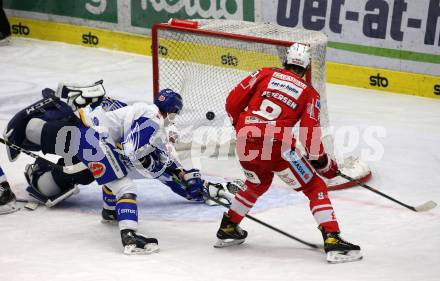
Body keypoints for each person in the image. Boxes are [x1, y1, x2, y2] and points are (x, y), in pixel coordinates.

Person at [3, 81, 238, 254]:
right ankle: (130, 237)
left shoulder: (138, 112)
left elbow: (160, 163)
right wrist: (171, 171)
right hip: (91, 139)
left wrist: (184, 177)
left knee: (112, 171)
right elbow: (133, 150)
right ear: (174, 111)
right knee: (124, 184)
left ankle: (110, 210)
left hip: (82, 135)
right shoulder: (154, 119)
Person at [214, 43, 362, 263]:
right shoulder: (309, 93)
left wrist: (242, 126)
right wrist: (324, 164)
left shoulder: (264, 73)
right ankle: (332, 239)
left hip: (245, 140)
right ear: (307, 67)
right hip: (277, 147)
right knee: (315, 185)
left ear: (286, 61)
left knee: (256, 183)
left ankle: (228, 226)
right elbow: (309, 135)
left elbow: (232, 102)